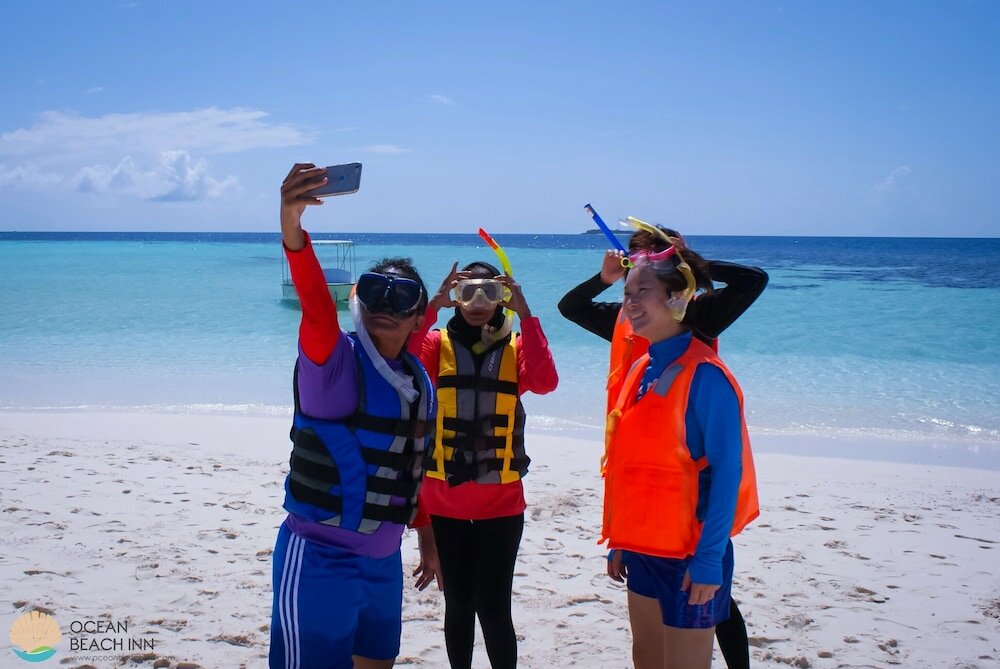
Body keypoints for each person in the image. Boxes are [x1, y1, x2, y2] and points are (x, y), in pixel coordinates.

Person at [558, 227, 766, 669]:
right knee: (646, 658)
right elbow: (630, 464)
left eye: (643, 290)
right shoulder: (638, 370)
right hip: (642, 547)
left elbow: (728, 472)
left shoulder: (707, 376)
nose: (630, 302)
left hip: (688, 551)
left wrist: (709, 560)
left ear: (677, 297)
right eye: (627, 289)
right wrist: (621, 539)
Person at [271, 163, 442, 669]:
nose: (386, 303)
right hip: (320, 561)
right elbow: (317, 306)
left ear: (420, 316)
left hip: (382, 563)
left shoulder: (417, 380)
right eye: (374, 290)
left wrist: (427, 540)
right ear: (358, 301)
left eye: (403, 295)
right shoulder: (334, 363)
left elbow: (409, 468)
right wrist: (293, 226)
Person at [409, 260, 558, 669]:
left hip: (501, 504)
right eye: (468, 291)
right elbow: (404, 364)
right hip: (445, 501)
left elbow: (545, 382)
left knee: (494, 608)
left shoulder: (515, 348)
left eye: (490, 292)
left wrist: (527, 315)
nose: (478, 302)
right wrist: (430, 309)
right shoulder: (436, 345)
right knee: (458, 603)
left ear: (503, 297)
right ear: (455, 295)